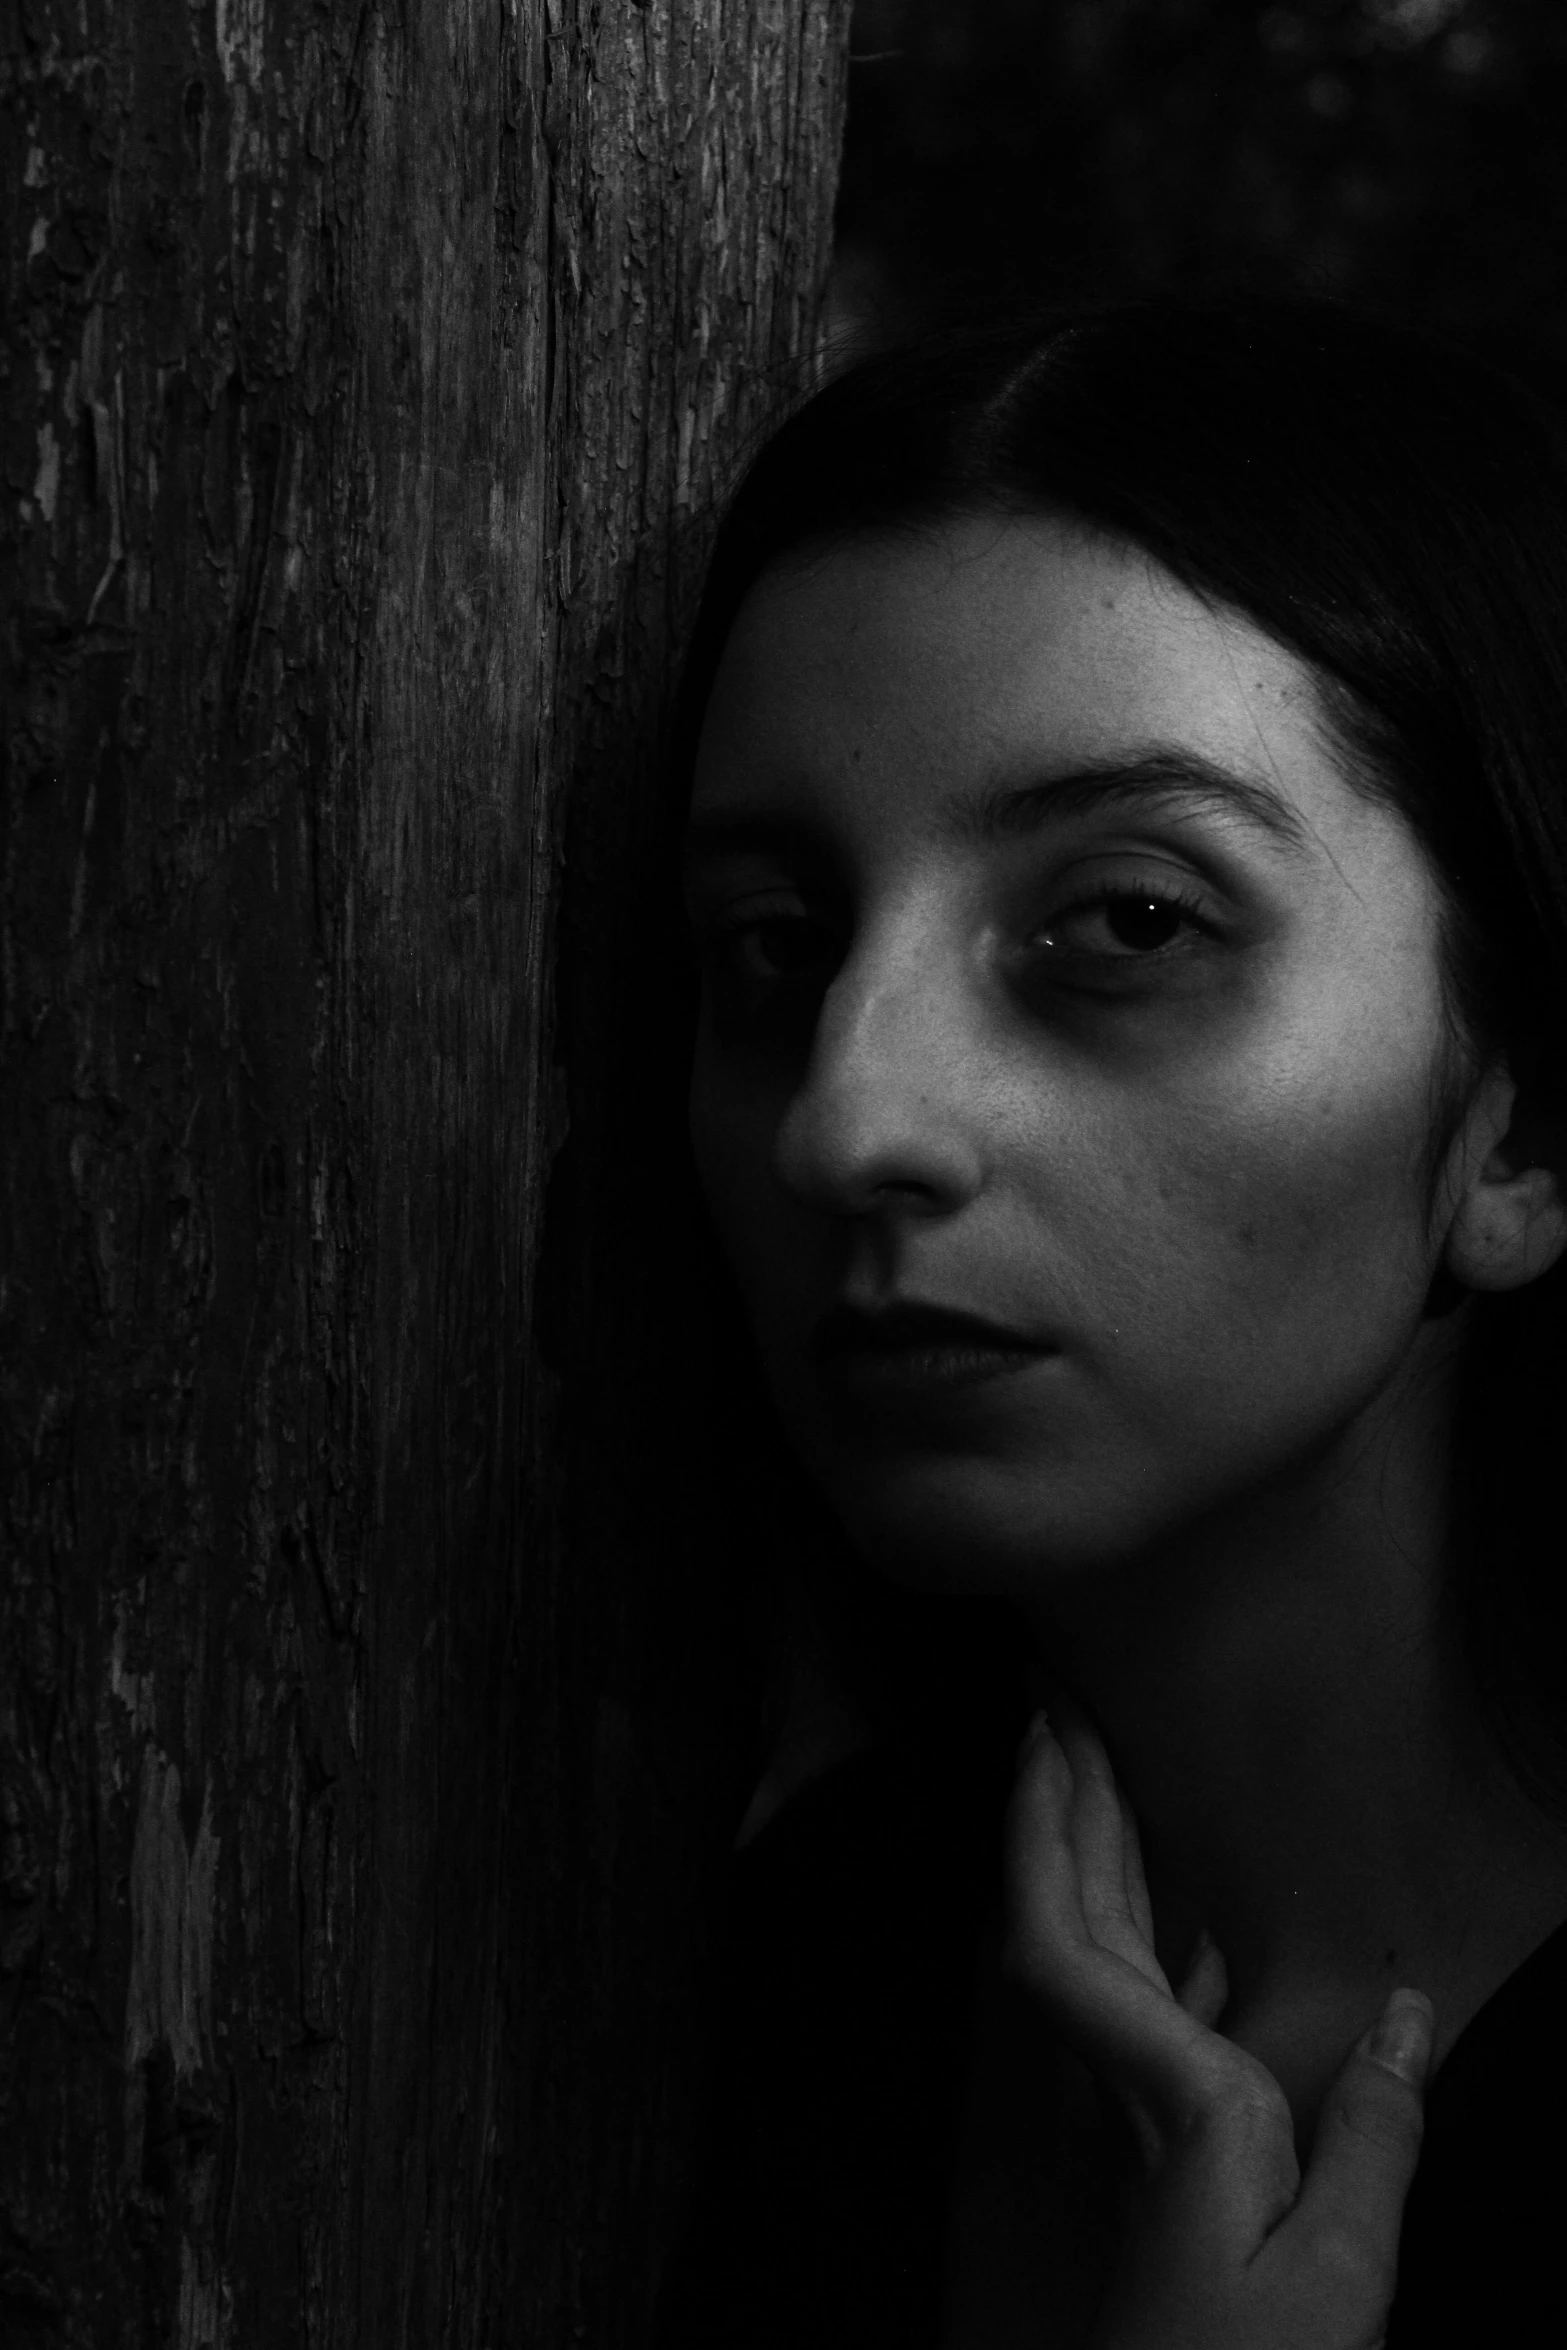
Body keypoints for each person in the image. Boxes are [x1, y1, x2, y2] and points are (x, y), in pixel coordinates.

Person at [656, 302, 1567, 2348]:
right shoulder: (787, 1981)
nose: (847, 1116)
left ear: (1527, 1120)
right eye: (772, 946)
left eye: (1127, 922)